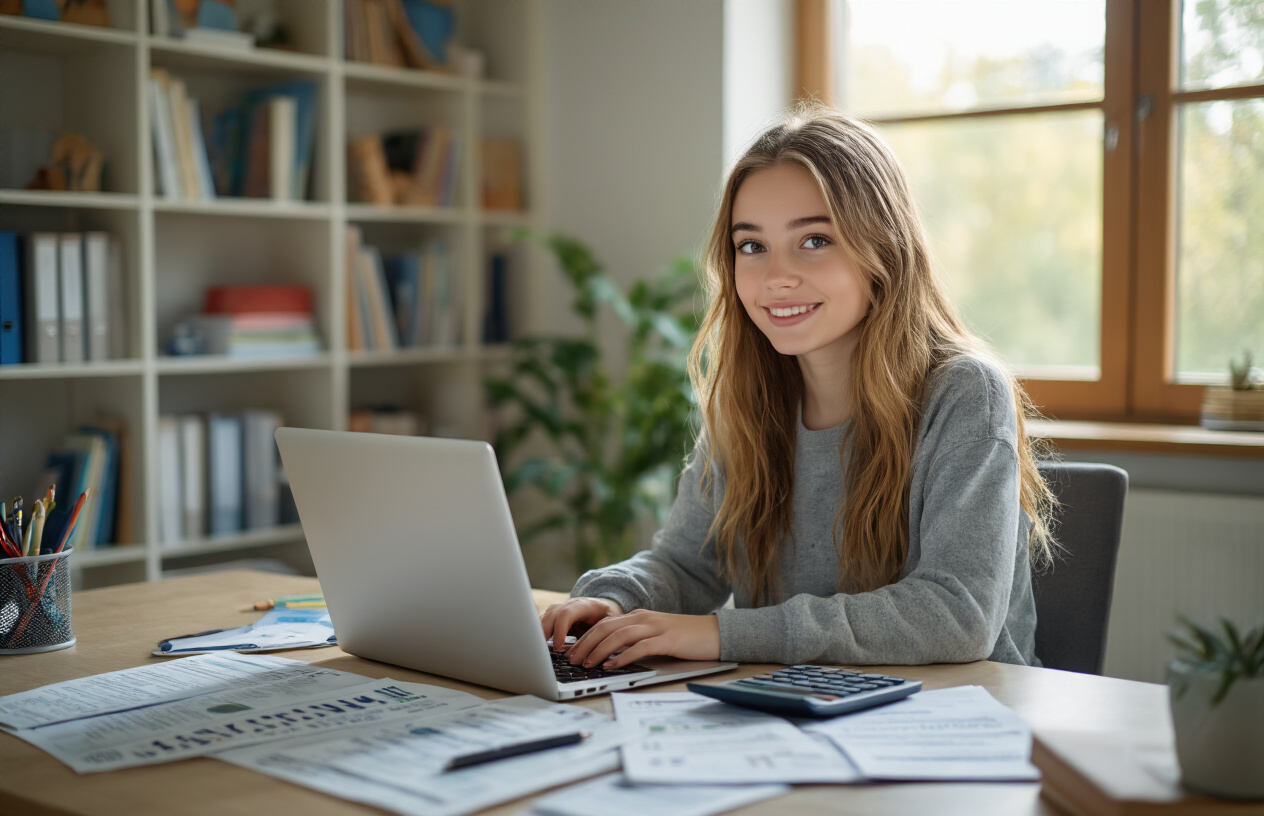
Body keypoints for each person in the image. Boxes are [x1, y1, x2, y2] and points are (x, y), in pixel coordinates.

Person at [539, 105, 1057, 672]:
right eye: (751, 246)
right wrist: (614, 599)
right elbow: (688, 566)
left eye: (814, 240)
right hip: (791, 709)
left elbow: (956, 615)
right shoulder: (750, 397)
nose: (776, 276)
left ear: (883, 246)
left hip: (954, 720)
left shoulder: (964, 392)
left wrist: (718, 634)